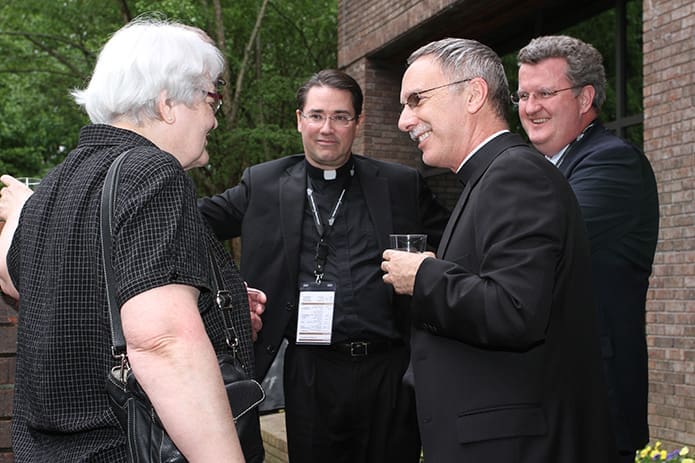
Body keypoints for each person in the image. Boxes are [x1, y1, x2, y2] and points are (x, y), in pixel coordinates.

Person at [0, 18, 264, 462]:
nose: (215, 119)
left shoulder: (52, 187)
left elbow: (15, 279)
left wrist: (222, 304)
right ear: (167, 104)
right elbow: (162, 342)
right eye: (211, 98)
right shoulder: (152, 173)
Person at [381, 37, 618, 462]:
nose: (404, 120)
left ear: (473, 94)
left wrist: (423, 277)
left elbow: (514, 310)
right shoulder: (488, 177)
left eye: (416, 100)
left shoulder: (514, 175)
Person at [197, 69, 450, 462]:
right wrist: (221, 292)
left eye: (340, 117)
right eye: (316, 115)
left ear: (358, 123)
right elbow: (189, 224)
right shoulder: (262, 183)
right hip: (311, 373)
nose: (326, 128)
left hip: (390, 371)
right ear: (299, 119)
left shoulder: (401, 184)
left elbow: (459, 236)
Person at [515, 35, 659, 462]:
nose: (529, 106)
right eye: (523, 95)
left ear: (585, 98)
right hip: (544, 405)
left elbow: (540, 247)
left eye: (544, 93)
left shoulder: (613, 163)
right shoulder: (538, 170)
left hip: (590, 405)